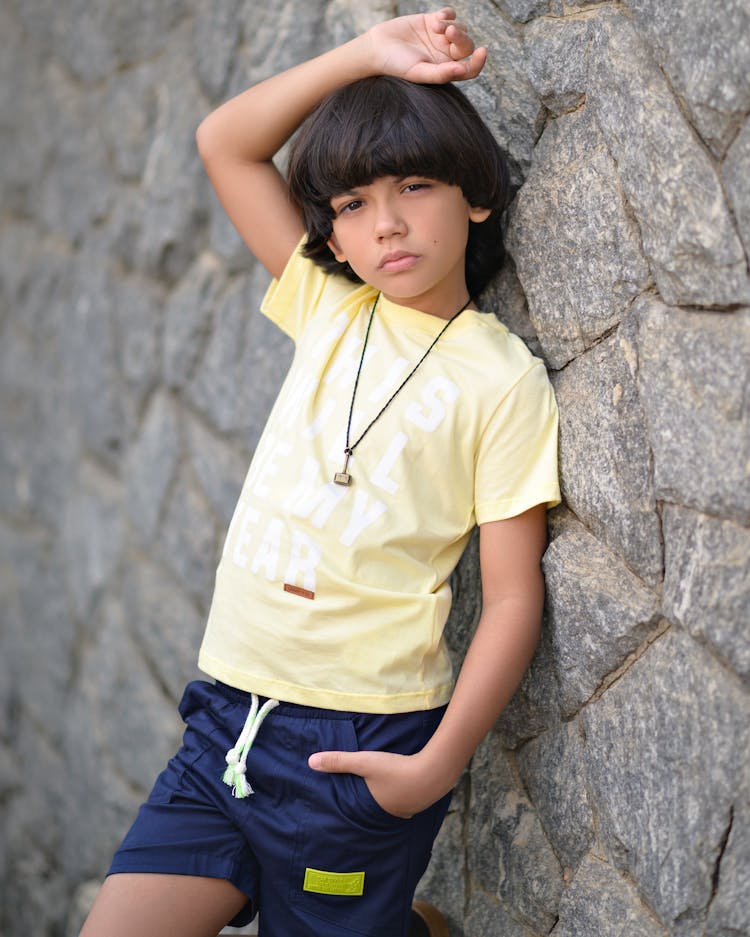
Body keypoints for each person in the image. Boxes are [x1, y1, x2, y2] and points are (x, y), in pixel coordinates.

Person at [80, 7, 560, 937]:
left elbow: (509, 598)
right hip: (224, 719)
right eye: (351, 205)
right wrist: (368, 56)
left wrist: (437, 766)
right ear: (331, 238)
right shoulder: (329, 306)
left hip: (357, 746)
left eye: (415, 186)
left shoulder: (500, 380)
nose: (385, 224)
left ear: (476, 195)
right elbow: (224, 143)